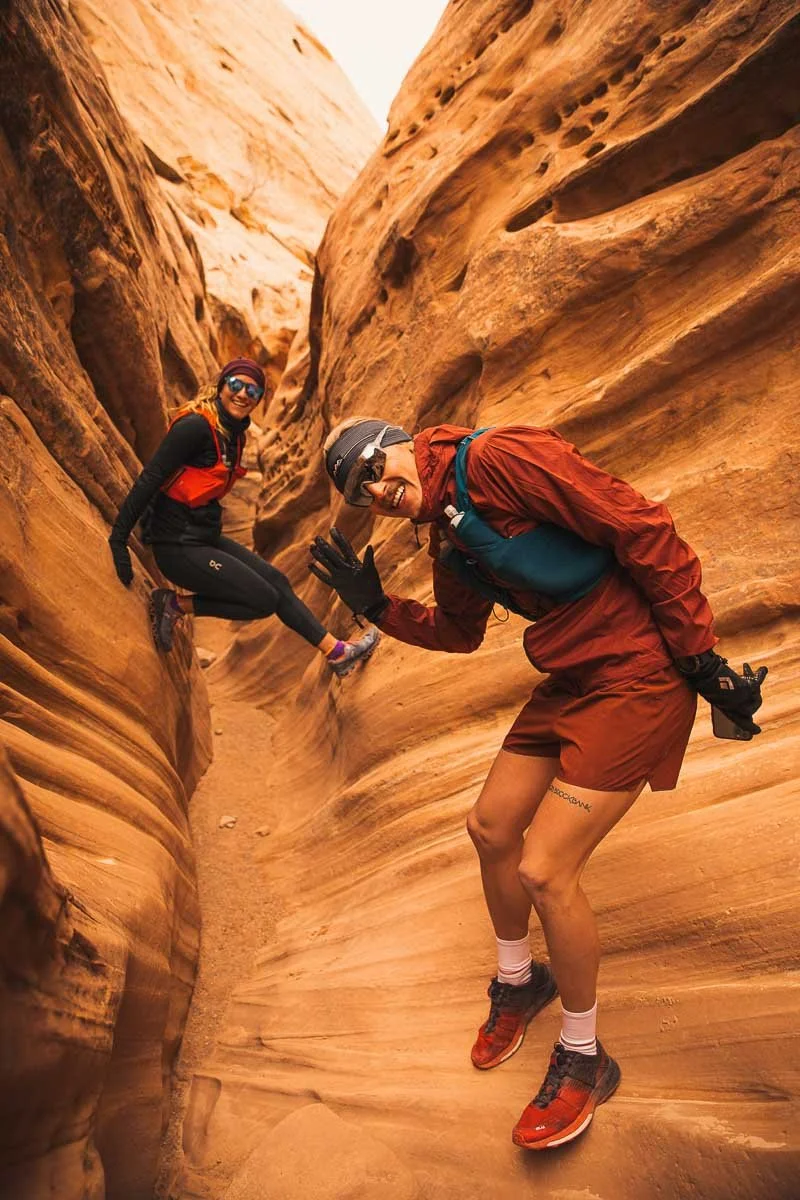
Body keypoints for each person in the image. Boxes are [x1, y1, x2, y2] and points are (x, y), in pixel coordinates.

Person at [309, 417, 767, 1150]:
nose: (375, 489)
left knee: (545, 869)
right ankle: (520, 981)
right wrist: (376, 608)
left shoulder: (497, 459)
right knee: (490, 827)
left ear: (401, 439)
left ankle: (585, 1057)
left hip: (637, 676)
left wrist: (699, 656)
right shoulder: (448, 539)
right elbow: (459, 633)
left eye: (372, 465)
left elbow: (642, 526)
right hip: (571, 676)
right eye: (358, 491)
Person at [108, 359, 379, 677]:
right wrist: (119, 538)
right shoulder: (195, 427)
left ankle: (336, 653)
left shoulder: (234, 435)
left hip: (202, 539)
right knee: (263, 600)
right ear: (221, 386)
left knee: (277, 582)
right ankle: (175, 605)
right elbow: (150, 478)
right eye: (235, 385)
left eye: (253, 390)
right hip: (177, 546)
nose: (243, 394)